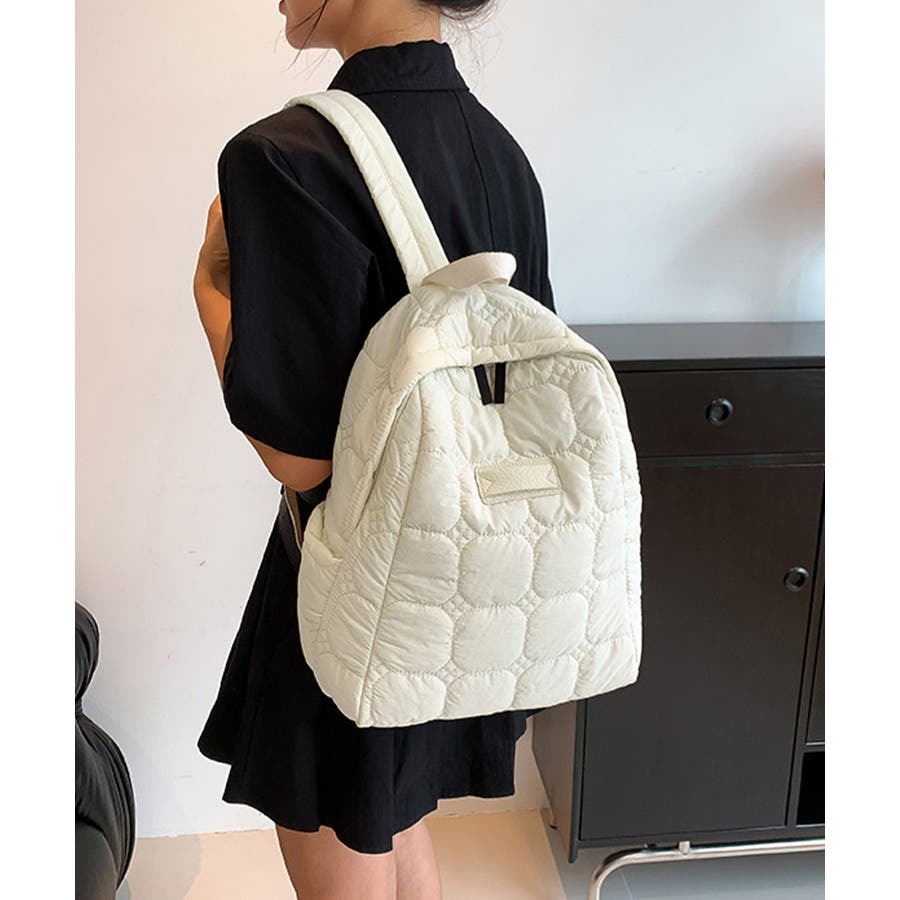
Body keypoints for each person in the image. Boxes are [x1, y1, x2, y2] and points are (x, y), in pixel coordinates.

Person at [192, 2, 556, 898]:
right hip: (465, 568)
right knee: (391, 808)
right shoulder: (501, 152)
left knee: (350, 812)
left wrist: (209, 292)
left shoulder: (284, 157)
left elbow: (300, 460)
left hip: (353, 578)